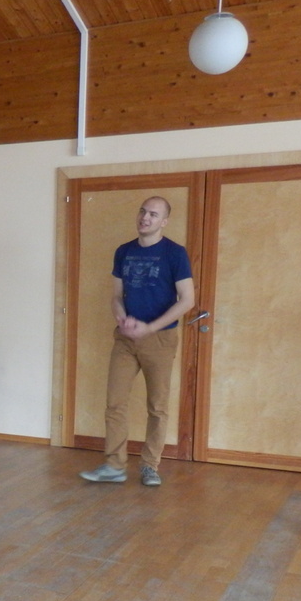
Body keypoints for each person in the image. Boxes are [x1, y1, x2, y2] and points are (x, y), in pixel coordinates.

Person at [81, 196, 194, 487]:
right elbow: (116, 296)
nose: (145, 217)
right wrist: (122, 319)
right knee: (115, 403)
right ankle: (114, 466)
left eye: (154, 214)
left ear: (164, 222)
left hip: (160, 339)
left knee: (157, 407)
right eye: (143, 211)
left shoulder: (175, 253)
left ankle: (150, 466)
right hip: (125, 339)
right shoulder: (124, 251)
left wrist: (150, 328)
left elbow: (187, 300)